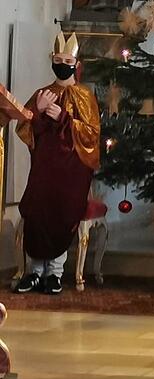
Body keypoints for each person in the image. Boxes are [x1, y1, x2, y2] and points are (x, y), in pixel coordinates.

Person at [15, 32, 101, 294]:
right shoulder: (42, 93)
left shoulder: (84, 95)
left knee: (61, 213)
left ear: (76, 64)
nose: (62, 63)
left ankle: (55, 272)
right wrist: (38, 112)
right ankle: (35, 271)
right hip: (44, 166)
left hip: (72, 169)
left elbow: (91, 133)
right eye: (58, 59)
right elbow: (25, 129)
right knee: (37, 210)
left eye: (67, 59)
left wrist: (63, 117)